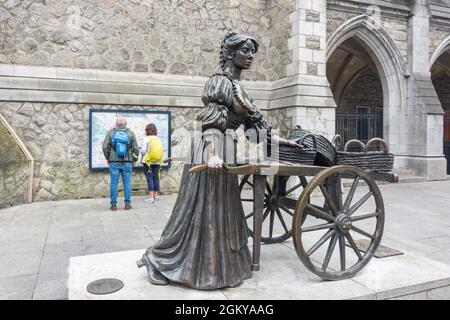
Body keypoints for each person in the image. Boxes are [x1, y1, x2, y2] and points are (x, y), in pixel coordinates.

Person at [137, 32, 300, 290]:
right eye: (245, 50)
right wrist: (213, 154)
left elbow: (256, 129)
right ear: (230, 53)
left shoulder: (241, 90)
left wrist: (286, 142)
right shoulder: (219, 83)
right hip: (208, 151)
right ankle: (158, 259)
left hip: (225, 152)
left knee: (222, 211)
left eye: (252, 51)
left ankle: (219, 268)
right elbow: (210, 124)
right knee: (199, 212)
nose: (250, 56)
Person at [102, 116, 139, 211]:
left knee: (114, 183)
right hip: (127, 162)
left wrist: (108, 158)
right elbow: (135, 148)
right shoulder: (130, 134)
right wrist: (134, 159)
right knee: (127, 183)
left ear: (116, 124)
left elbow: (105, 147)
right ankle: (127, 204)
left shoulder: (111, 133)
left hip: (113, 162)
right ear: (125, 124)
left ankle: (113, 205)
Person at [140, 123, 163, 204]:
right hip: (157, 161)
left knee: (150, 178)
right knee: (156, 178)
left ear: (147, 130)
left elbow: (143, 151)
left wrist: (141, 151)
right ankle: (155, 196)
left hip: (148, 162)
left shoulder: (146, 139)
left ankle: (150, 197)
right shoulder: (158, 139)